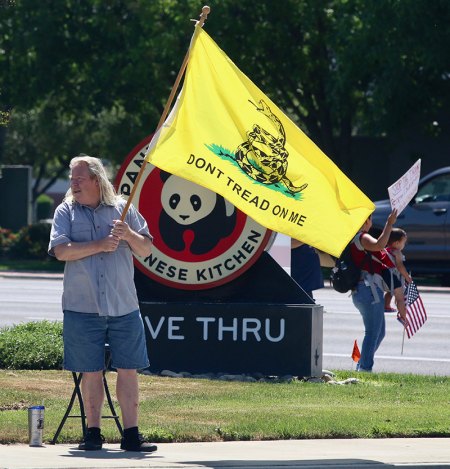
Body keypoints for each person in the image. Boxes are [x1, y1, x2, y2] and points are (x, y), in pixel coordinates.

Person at [48, 155, 157, 452]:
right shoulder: (65, 212)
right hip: (82, 307)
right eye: (72, 179)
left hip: (124, 306)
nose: (73, 184)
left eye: (79, 179)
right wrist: (99, 245)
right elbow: (60, 251)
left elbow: (146, 249)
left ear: (97, 179)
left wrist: (129, 235)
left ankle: (132, 435)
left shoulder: (124, 209)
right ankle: (92, 433)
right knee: (91, 371)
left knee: (129, 368)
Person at [350, 210, 408, 372]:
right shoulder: (361, 237)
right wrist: (389, 223)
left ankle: (362, 364)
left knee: (379, 333)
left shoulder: (360, 239)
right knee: (372, 332)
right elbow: (379, 245)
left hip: (368, 291)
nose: (371, 223)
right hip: (368, 291)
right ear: (365, 221)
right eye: (370, 220)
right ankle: (364, 369)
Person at [384, 228, 412, 312]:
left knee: (390, 292)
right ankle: (402, 310)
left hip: (385, 274)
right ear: (396, 243)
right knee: (398, 292)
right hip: (394, 276)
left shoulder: (385, 250)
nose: (404, 245)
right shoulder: (397, 252)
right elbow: (400, 266)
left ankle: (386, 305)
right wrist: (407, 277)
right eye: (403, 242)